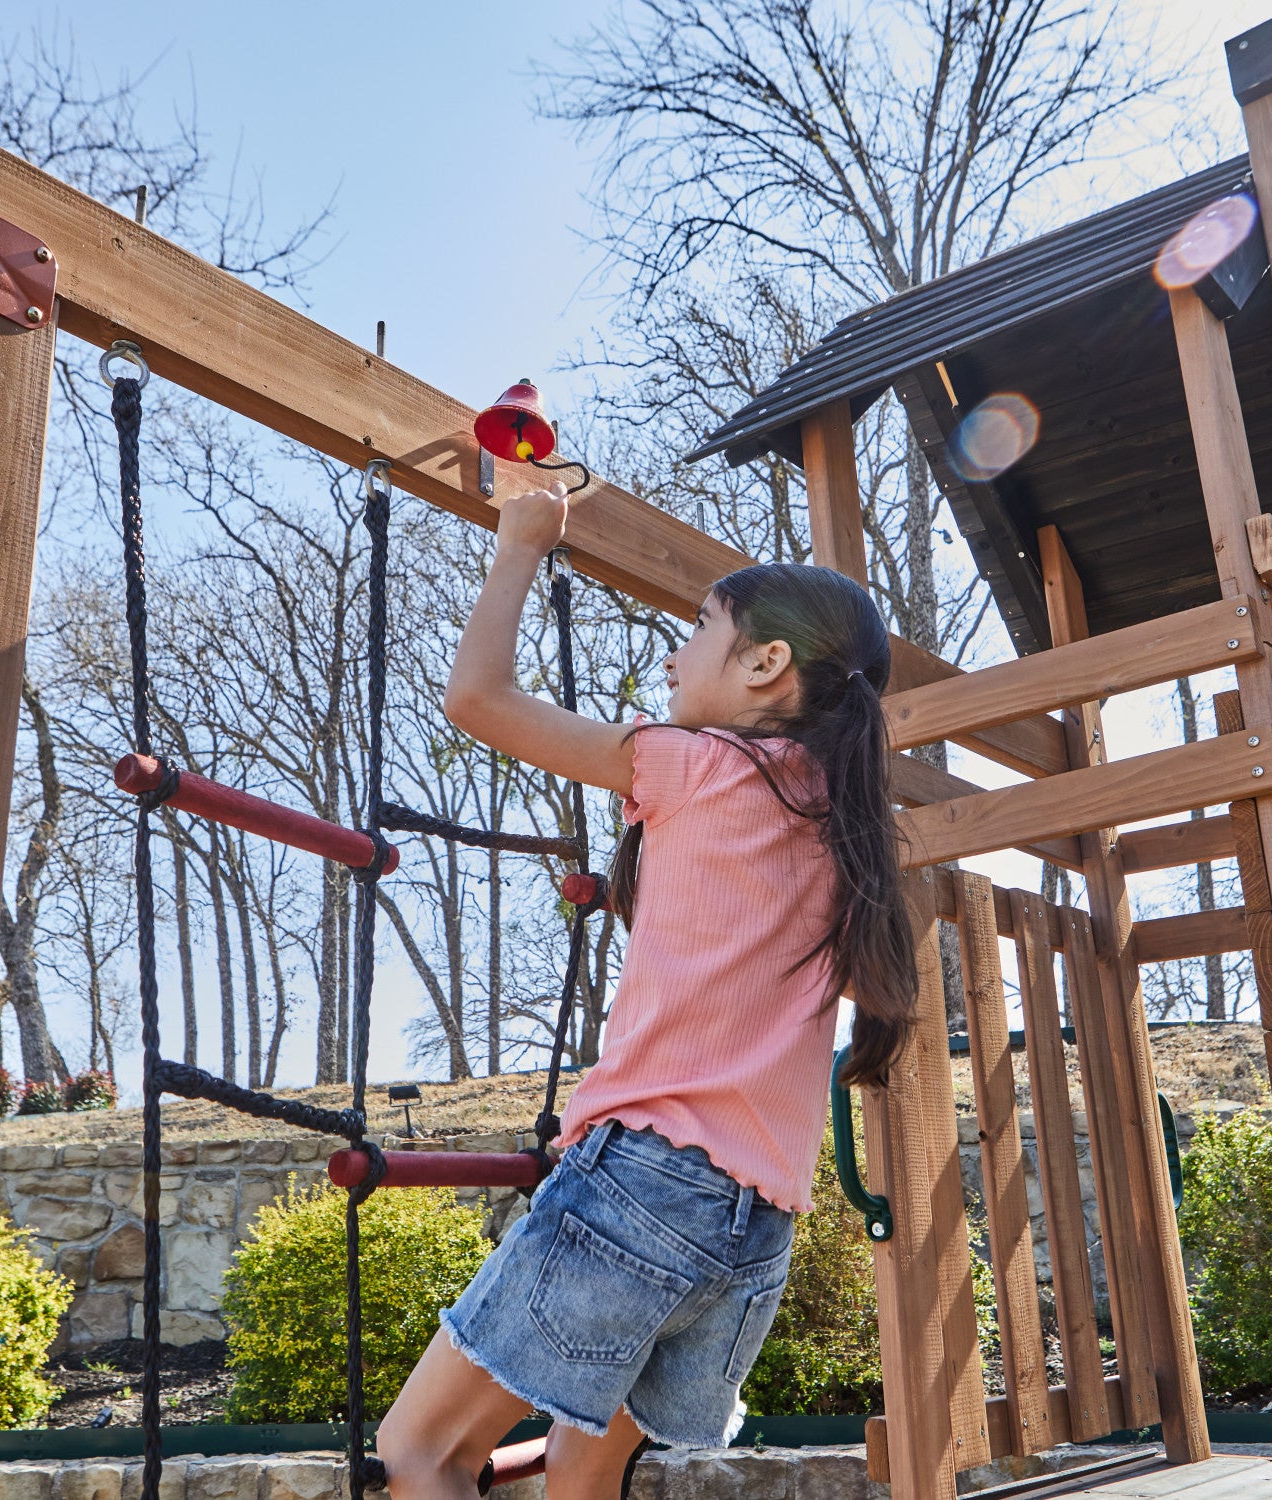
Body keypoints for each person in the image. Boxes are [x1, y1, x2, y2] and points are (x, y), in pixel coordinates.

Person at [377, 482, 917, 1499]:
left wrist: (523, 542)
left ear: (767, 665)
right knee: (585, 1471)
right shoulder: (846, 827)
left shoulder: (701, 765)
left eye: (699, 630)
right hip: (756, 1228)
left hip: (648, 1185)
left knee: (422, 1451)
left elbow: (476, 700)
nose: (671, 657)